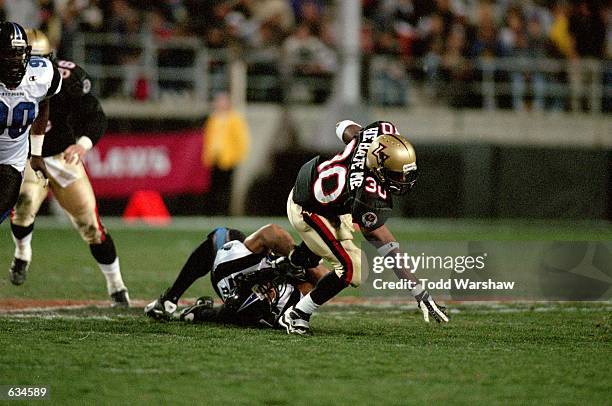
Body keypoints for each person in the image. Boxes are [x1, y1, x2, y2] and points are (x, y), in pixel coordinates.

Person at [280, 120, 449, 335]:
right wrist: (418, 291)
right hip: (307, 209)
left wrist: (358, 140)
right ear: (378, 170)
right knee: (353, 268)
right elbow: (385, 243)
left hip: (325, 194)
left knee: (340, 240)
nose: (404, 180)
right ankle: (297, 314)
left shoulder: (380, 134)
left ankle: (291, 264)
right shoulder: (367, 196)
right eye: (397, 175)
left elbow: (343, 126)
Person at [7, 29, 129, 308]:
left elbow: (95, 115)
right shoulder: (6, 80)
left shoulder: (67, 79)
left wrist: (83, 144)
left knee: (91, 226)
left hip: (62, 157)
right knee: (23, 206)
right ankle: (23, 254)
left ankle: (116, 285)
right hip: (25, 156)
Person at [145, 224, 324, 328]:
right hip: (246, 302)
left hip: (231, 279)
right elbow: (323, 281)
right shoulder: (287, 306)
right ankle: (193, 311)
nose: (268, 291)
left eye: (262, 289)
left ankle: (171, 298)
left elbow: (271, 232)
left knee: (222, 235)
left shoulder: (232, 267)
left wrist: (293, 257)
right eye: (267, 292)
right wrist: (302, 264)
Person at [0, 22, 61, 224]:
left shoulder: (41, 77)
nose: (16, 60)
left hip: (11, 164)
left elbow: (43, 104)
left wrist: (36, 153)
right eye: (9, 54)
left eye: (19, 53)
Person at [201, 92, 250, 215]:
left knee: (225, 188)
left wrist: (238, 155)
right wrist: (207, 156)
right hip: (215, 158)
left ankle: (224, 212)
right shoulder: (213, 119)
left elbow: (241, 139)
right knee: (214, 188)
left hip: (228, 159)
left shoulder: (234, 119)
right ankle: (213, 212)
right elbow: (208, 138)